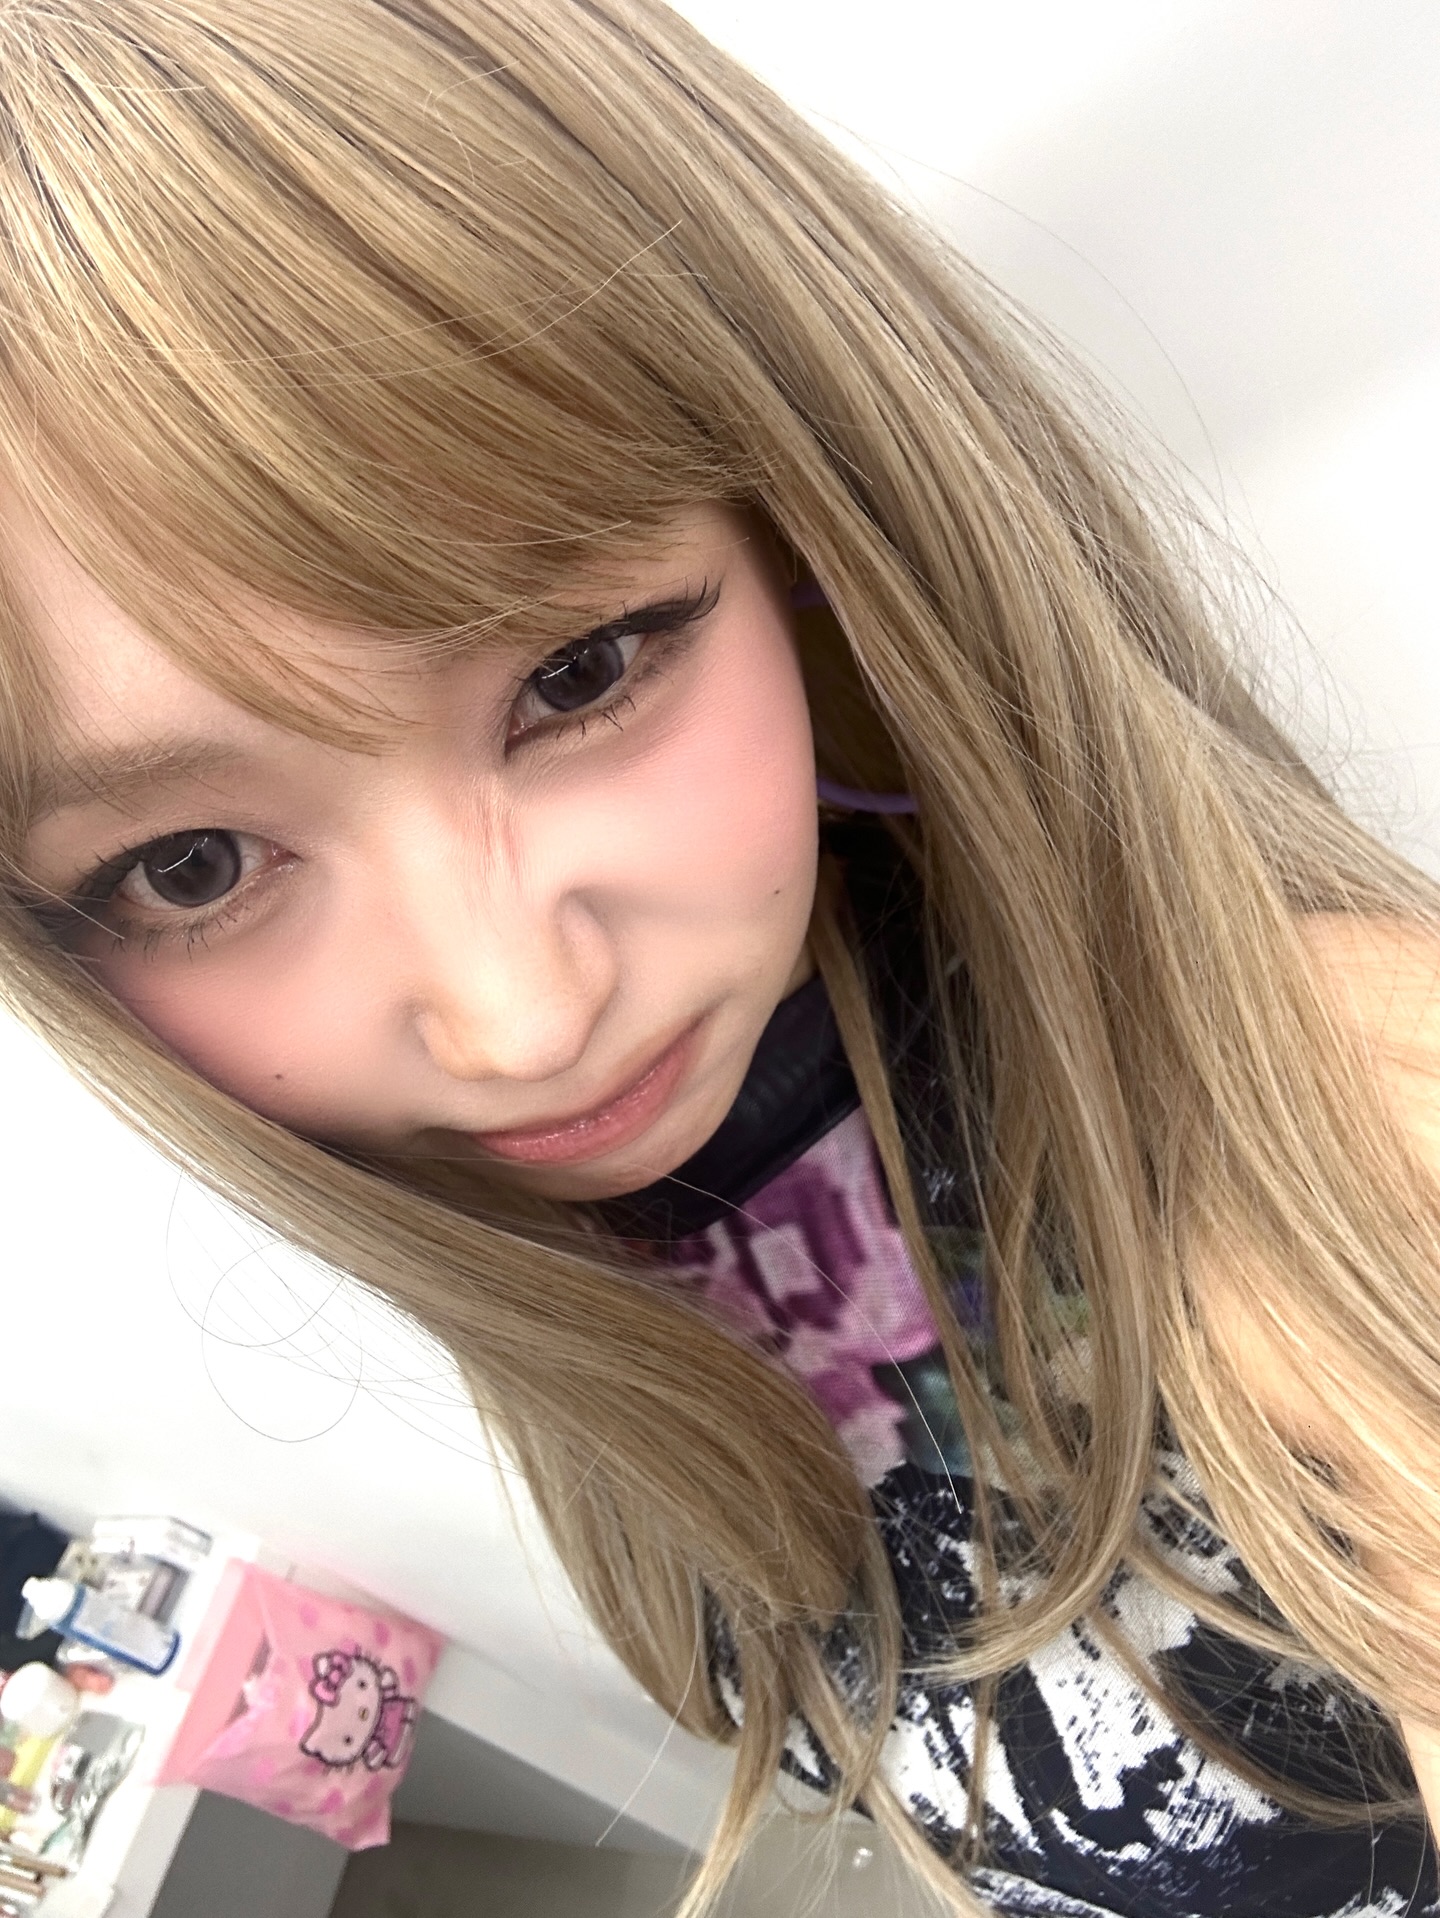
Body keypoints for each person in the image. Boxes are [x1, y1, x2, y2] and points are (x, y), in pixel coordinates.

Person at [1, 2, 1439, 1912]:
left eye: (578, 672)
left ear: (809, 535)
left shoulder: (1358, 1135)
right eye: (192, 866)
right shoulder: (579, 1235)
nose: (522, 1019)